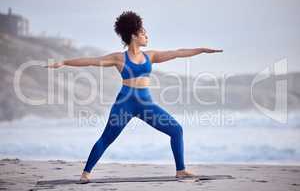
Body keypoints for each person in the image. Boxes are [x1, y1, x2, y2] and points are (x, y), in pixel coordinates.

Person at [46, 10, 223, 183]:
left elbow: (178, 52)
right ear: (133, 35)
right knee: (106, 138)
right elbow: (91, 60)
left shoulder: (151, 55)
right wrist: (64, 62)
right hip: (125, 103)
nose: (147, 36)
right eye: (143, 33)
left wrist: (201, 50)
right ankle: (86, 173)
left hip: (146, 104)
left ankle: (181, 170)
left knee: (176, 130)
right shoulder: (118, 58)